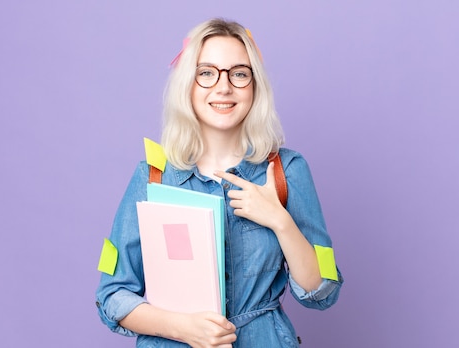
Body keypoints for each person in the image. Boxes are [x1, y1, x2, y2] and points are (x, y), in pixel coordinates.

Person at [96, 18, 343, 347]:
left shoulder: (288, 170)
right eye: (207, 73)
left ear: (254, 86)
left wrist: (280, 221)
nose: (223, 87)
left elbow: (322, 292)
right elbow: (112, 295)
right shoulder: (152, 176)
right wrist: (183, 328)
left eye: (239, 73)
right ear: (189, 84)